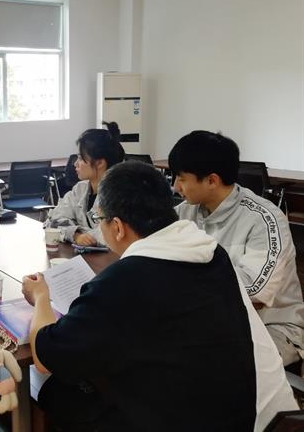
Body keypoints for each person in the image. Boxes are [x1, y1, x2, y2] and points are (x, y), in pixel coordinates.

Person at [23, 162, 296, 431]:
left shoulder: (123, 281)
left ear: (117, 227)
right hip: (260, 415)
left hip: (196, 418)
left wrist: (41, 297)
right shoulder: (211, 253)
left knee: (57, 391)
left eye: (99, 219)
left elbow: (45, 358)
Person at [169, 130, 304, 367]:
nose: (174, 187)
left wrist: (182, 282)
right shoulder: (186, 211)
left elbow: (254, 293)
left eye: (181, 178)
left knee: (198, 364)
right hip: (212, 319)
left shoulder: (264, 219)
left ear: (211, 180)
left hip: (271, 327)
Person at [45, 122, 124, 246]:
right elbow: (53, 221)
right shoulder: (80, 189)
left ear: (99, 163)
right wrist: (76, 235)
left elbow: (108, 238)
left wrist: (73, 230)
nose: (75, 164)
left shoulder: (119, 195)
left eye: (81, 158)